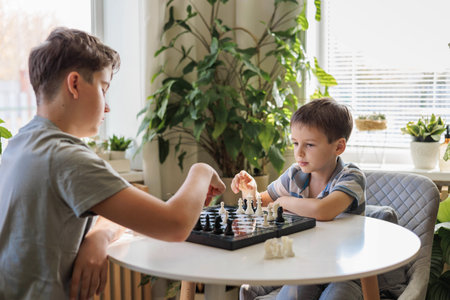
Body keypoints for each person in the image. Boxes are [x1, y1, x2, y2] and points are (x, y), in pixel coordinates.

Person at [0, 27, 225, 300]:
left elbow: (115, 209)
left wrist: (100, 235)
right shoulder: (67, 157)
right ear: (74, 84)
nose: (107, 107)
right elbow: (175, 224)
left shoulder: (20, 144)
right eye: (103, 89)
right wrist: (202, 170)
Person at [232, 98, 366, 300]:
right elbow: (263, 202)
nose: (298, 152)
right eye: (295, 143)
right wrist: (251, 192)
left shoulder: (351, 176)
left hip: (346, 270)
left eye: (309, 145)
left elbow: (324, 210)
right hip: (307, 266)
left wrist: (284, 202)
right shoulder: (295, 174)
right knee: (293, 293)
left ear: (338, 147)